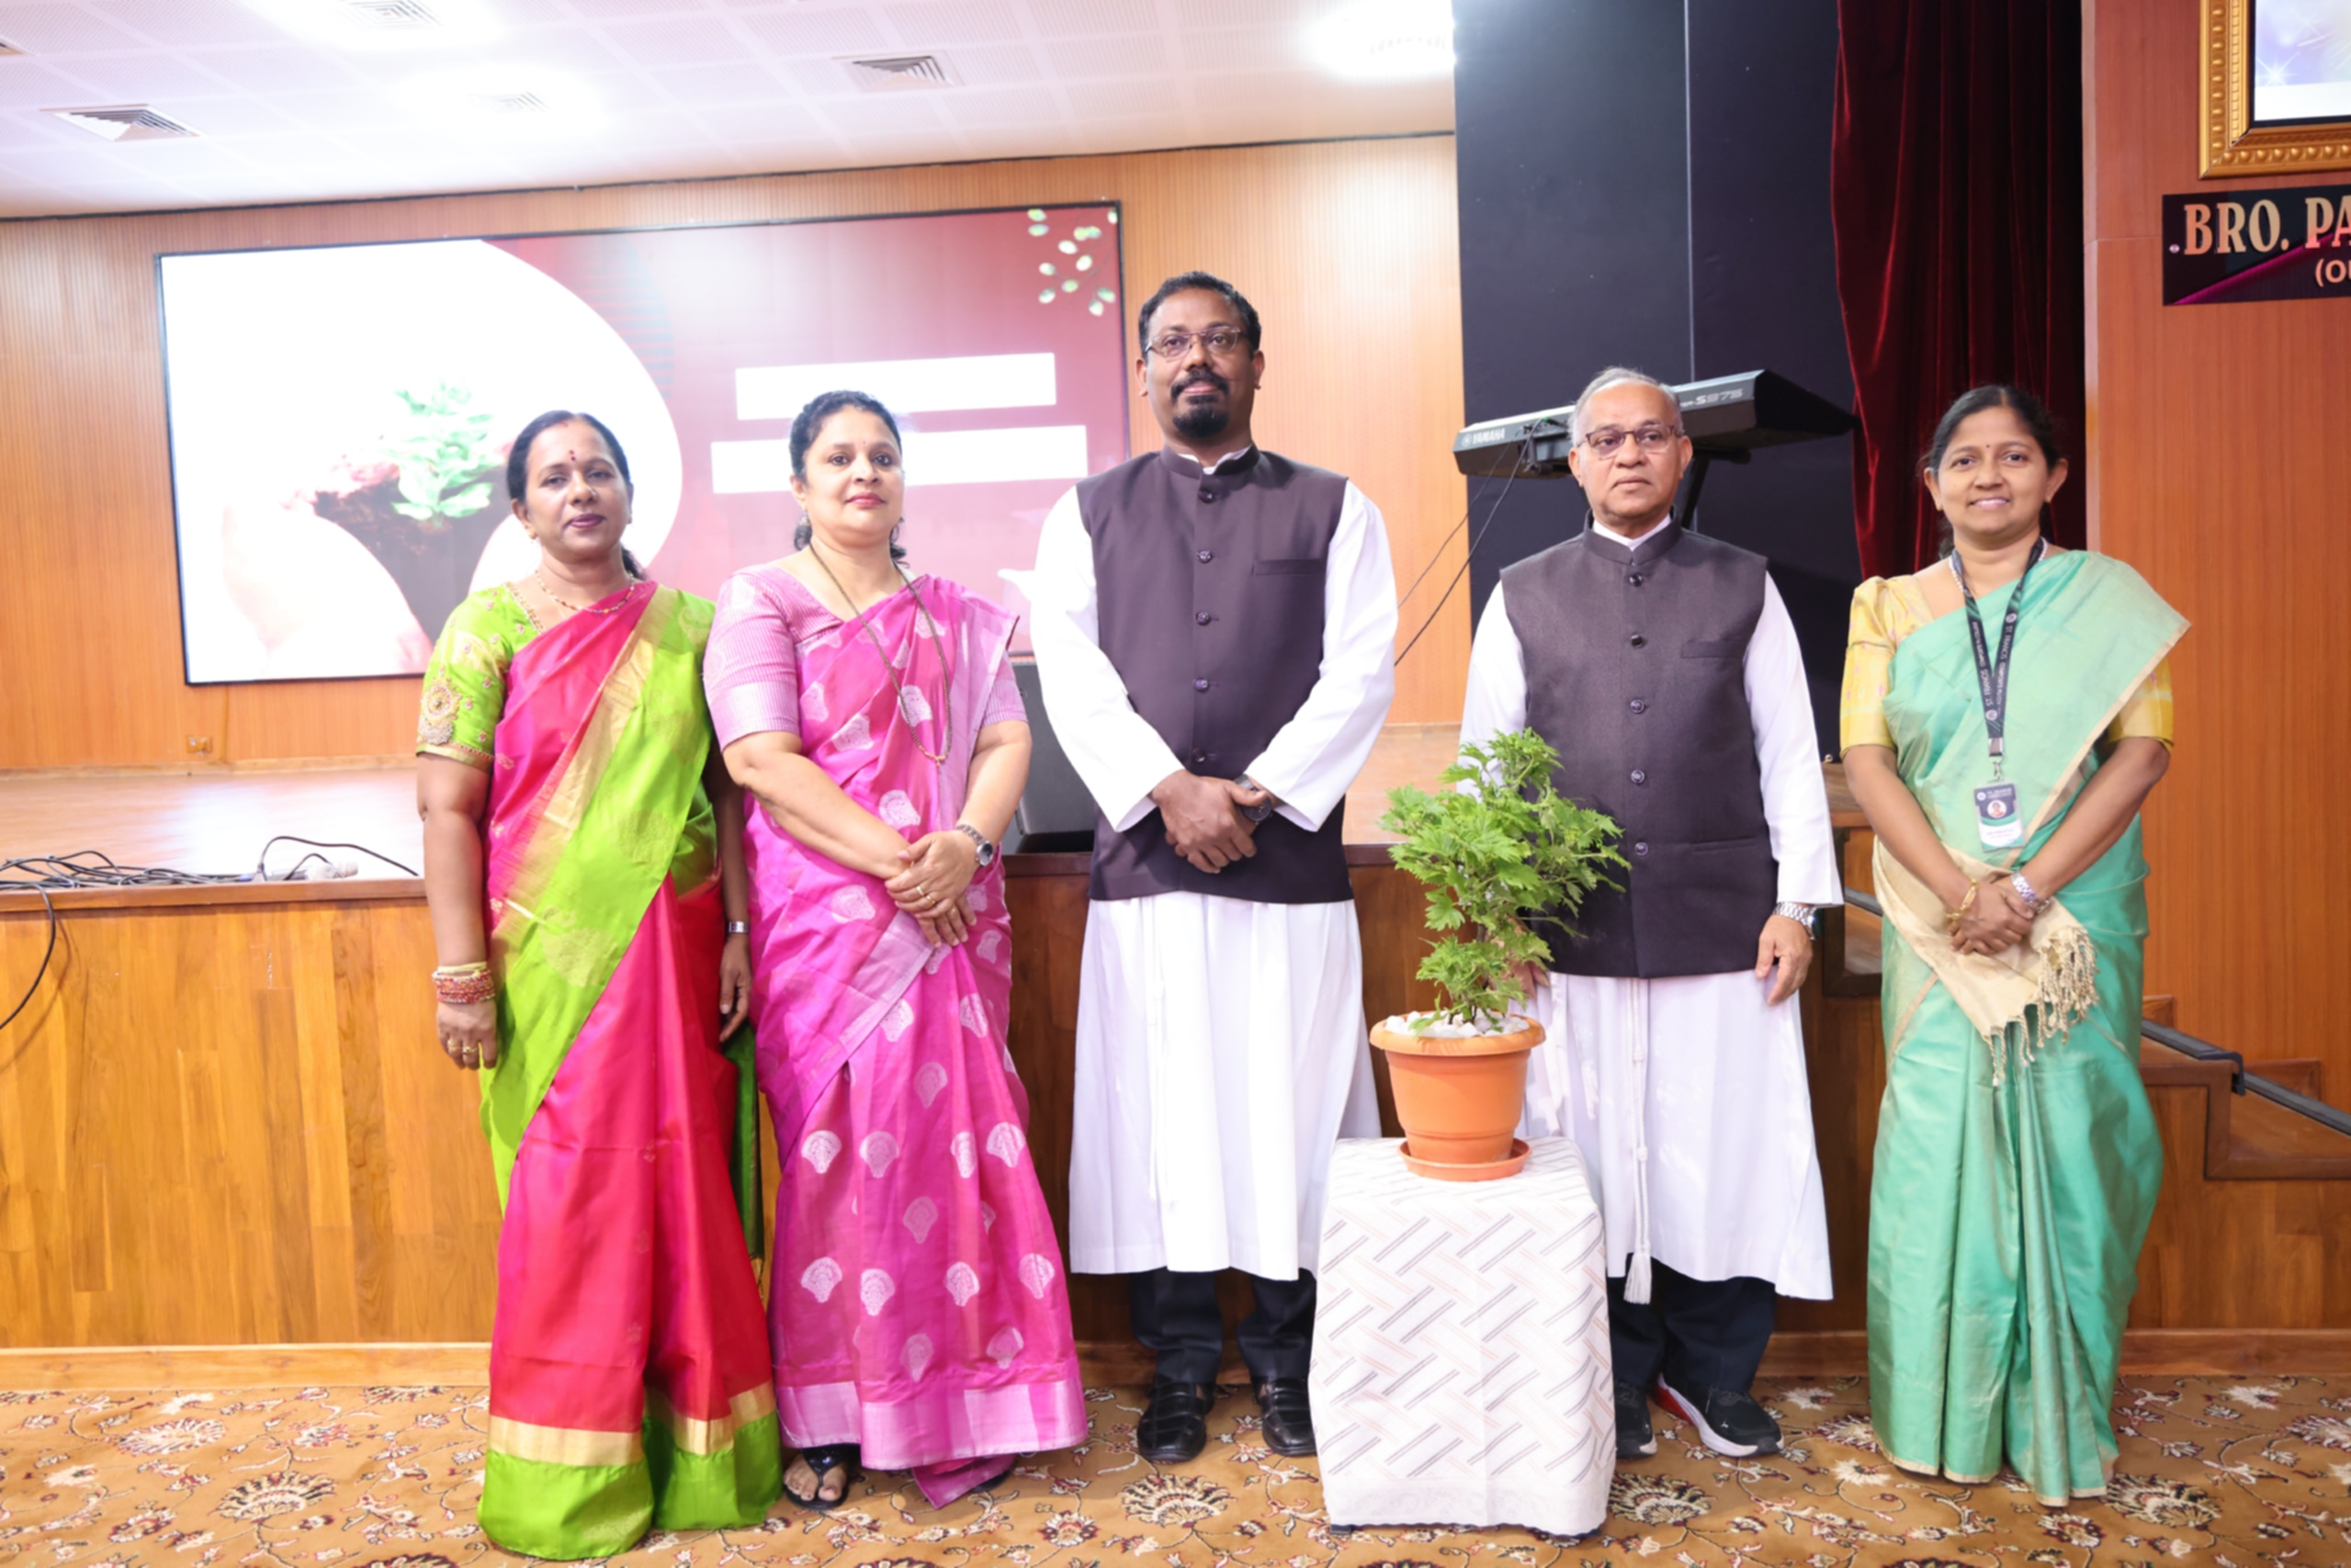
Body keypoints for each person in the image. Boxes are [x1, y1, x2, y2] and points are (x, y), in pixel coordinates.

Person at [1025, 271, 1399, 1463]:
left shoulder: (1335, 508)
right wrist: (1168, 789)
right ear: (1142, 370)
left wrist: (1261, 790)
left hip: (1285, 864)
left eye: (1219, 339)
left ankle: (1289, 1362)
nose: (1196, 358)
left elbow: (1361, 671)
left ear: (1254, 363)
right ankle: (1178, 1366)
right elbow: (1070, 672)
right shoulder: (1084, 512)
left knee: (1293, 1114)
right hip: (1150, 864)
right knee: (1164, 1118)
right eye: (1172, 342)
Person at [704, 390, 1086, 1513]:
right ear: (799, 484)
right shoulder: (763, 600)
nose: (863, 472)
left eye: (881, 455)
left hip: (948, 919)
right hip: (828, 931)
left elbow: (1006, 738)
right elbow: (762, 760)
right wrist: (908, 867)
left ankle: (963, 1405)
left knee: (958, 1162)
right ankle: (830, 1416)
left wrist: (965, 846)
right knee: (835, 1172)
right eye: (838, 457)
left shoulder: (956, 613)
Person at [417, 410, 783, 1559]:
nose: (581, 489)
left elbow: (730, 798)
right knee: (571, 1211)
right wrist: (461, 975)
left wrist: (739, 932)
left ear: (631, 489)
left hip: (679, 964)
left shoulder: (694, 628)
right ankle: (572, 1483)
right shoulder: (483, 630)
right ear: (521, 510)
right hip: (548, 975)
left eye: (599, 470)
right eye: (554, 477)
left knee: (686, 1200)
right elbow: (446, 809)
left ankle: (703, 1464)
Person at [1458, 367, 1840, 1462]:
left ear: (1684, 453)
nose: (1629, 454)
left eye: (1652, 436)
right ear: (1575, 461)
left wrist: (1799, 905)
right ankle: (1610, 1373)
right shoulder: (1522, 592)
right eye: (1607, 439)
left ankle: (1714, 1373)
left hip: (1724, 926)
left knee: (1722, 1150)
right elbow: (1488, 766)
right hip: (1566, 932)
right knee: (1588, 1155)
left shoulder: (1743, 585)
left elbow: (1788, 753)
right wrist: (1498, 914)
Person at [1840, 385, 2183, 1506]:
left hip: (2075, 911)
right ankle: (1935, 1415)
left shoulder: (2112, 601)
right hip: (1940, 920)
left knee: (2076, 1152)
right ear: (1932, 484)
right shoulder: (1887, 607)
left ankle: (2058, 1418)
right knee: (1936, 1149)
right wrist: (1961, 892)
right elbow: (1868, 761)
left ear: (2055, 476)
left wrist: (2028, 889)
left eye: (2016, 456)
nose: (1989, 476)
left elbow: (2143, 756)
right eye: (1966, 460)